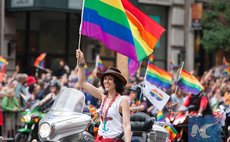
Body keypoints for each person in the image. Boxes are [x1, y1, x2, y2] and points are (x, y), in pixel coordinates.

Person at [76, 49, 131, 142]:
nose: (106, 81)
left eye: (110, 79)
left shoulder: (123, 100)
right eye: (105, 79)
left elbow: (127, 125)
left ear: (116, 83)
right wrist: (81, 64)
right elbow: (82, 83)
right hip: (99, 139)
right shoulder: (103, 97)